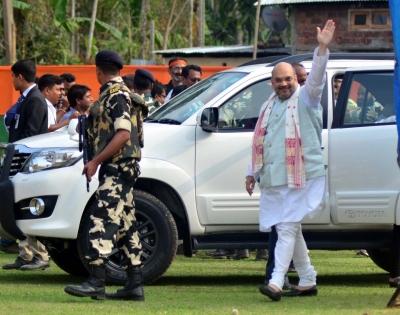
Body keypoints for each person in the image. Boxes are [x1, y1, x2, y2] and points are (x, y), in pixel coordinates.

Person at [246, 19, 336, 302]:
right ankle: (307, 278)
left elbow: (318, 79)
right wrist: (252, 173)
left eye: (288, 79)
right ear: (272, 83)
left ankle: (275, 282)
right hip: (273, 179)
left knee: (286, 228)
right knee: (290, 227)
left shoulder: (307, 99)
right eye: (278, 80)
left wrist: (321, 49)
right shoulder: (268, 105)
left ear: (297, 80)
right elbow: (261, 141)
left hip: (301, 177)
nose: (284, 84)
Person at [64, 50, 147, 301]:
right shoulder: (120, 93)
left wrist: (94, 162)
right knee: (125, 224)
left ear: (98, 71)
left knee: (99, 219)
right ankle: (135, 284)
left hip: (118, 167)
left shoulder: (116, 96)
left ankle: (96, 281)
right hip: (123, 167)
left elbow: (122, 134)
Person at [2, 59, 50, 271]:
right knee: (16, 208)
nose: (12, 80)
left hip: (27, 163)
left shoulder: (35, 100)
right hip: (19, 161)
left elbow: (32, 135)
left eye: (13, 76)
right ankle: (26, 254)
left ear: (20, 76)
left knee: (28, 207)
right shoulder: (27, 99)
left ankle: (40, 255)